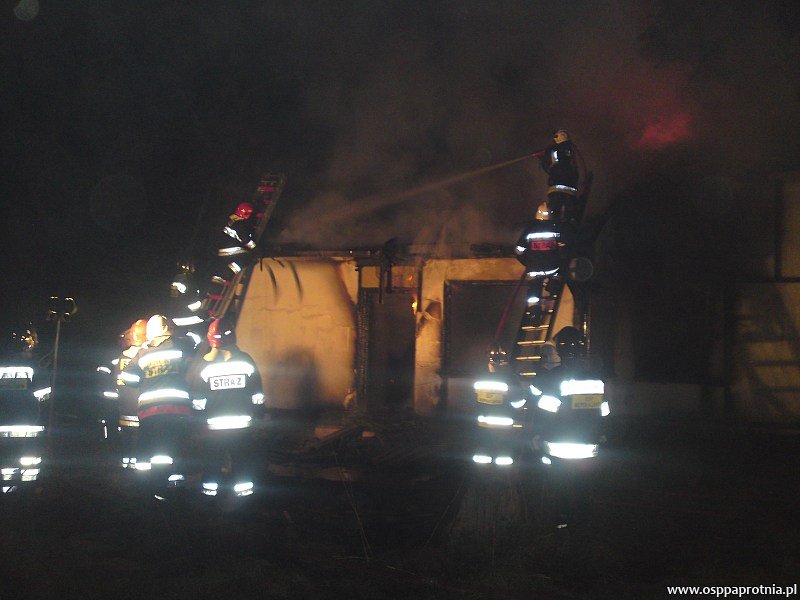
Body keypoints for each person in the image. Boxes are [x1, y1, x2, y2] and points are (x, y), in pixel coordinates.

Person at [188, 317, 263, 497]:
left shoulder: (205, 366)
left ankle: (209, 497)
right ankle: (244, 499)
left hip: (214, 429)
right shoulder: (246, 361)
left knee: (212, 463)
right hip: (242, 427)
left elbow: (198, 400)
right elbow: (258, 395)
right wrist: (259, 418)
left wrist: (197, 423)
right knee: (242, 463)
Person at [122, 315, 195, 475]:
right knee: (173, 450)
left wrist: (143, 379)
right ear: (165, 328)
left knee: (147, 450)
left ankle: (146, 485)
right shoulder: (180, 346)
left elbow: (127, 377)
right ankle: (172, 485)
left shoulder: (142, 353)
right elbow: (192, 370)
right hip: (177, 410)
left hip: (149, 411)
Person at [0, 325, 50, 490]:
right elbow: (44, 393)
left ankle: (7, 486)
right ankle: (27, 487)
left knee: (7, 455)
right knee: (29, 455)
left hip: (6, 419)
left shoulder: (3, 362)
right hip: (30, 419)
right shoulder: (37, 363)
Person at [470, 344, 527, 467]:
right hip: (504, 426)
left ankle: (480, 478)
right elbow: (518, 402)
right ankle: (502, 479)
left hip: (483, 424)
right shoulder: (510, 378)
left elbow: (473, 401)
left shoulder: (478, 377)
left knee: (483, 452)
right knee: (504, 455)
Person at [204, 202, 258, 317]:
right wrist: (255, 248)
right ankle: (229, 275)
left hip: (222, 254)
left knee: (218, 279)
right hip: (234, 252)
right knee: (246, 260)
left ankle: (212, 298)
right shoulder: (240, 224)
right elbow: (244, 239)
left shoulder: (231, 221)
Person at [540, 129, 581, 226]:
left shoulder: (556, 150)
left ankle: (554, 226)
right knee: (568, 212)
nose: (553, 140)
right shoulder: (572, 150)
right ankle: (568, 225)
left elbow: (551, 166)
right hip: (570, 187)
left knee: (554, 212)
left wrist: (544, 156)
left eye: (555, 137)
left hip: (558, 187)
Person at [514, 202, 563, 278]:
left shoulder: (530, 229)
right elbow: (562, 247)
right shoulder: (556, 229)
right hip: (552, 270)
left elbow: (519, 251)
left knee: (534, 288)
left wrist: (527, 262)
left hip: (534, 270)